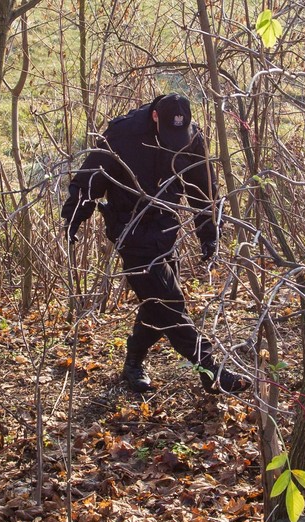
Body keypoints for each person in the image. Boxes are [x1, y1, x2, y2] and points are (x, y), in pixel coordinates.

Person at [63, 93, 250, 395]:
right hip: (131, 232)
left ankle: (133, 362)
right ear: (154, 117)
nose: (175, 138)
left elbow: (204, 189)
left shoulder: (192, 138)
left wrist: (209, 232)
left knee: (156, 305)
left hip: (166, 231)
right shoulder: (123, 134)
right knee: (169, 303)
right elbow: (89, 178)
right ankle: (211, 370)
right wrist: (74, 215)